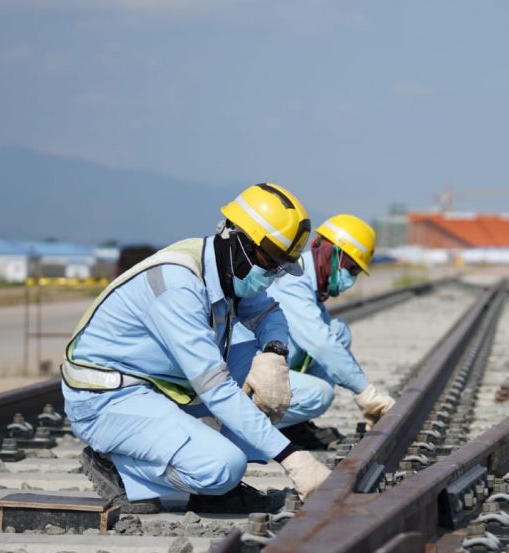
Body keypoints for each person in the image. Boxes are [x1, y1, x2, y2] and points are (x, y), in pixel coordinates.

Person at [60, 183, 331, 514]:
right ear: (236, 239)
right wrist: (292, 457)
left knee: (267, 382)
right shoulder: (178, 286)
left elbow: (267, 312)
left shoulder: (227, 268)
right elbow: (215, 389)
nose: (272, 273)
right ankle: (118, 464)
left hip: (155, 384)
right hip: (107, 398)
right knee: (222, 467)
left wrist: (274, 353)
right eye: (268, 260)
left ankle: (213, 484)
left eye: (280, 267)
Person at [261, 214, 396, 448]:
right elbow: (321, 345)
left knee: (338, 332)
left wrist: (367, 392)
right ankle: (248, 433)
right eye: (351, 269)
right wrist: (365, 394)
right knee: (319, 394)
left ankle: (292, 423)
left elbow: (330, 344)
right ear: (332, 252)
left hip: (274, 365)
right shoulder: (293, 280)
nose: (350, 279)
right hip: (248, 376)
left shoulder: (310, 286)